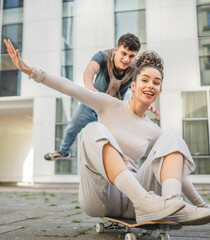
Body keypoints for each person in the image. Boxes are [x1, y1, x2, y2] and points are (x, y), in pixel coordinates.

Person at [4, 39, 210, 225]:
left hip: (135, 202)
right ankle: (148, 202)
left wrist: (203, 207)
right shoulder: (109, 105)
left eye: (156, 82)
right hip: (101, 196)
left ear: (160, 90)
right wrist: (31, 71)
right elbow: (71, 87)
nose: (150, 85)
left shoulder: (153, 130)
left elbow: (177, 171)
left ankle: (172, 205)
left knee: (172, 139)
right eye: (145, 80)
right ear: (133, 85)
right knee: (94, 129)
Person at [44, 33, 159, 161]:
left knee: (113, 138)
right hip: (92, 104)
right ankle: (63, 152)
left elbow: (140, 86)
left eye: (131, 56)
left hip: (112, 109)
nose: (126, 59)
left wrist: (148, 101)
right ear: (116, 50)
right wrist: (89, 87)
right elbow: (90, 69)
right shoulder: (104, 56)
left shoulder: (135, 69)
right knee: (72, 128)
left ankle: (117, 163)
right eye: (123, 53)